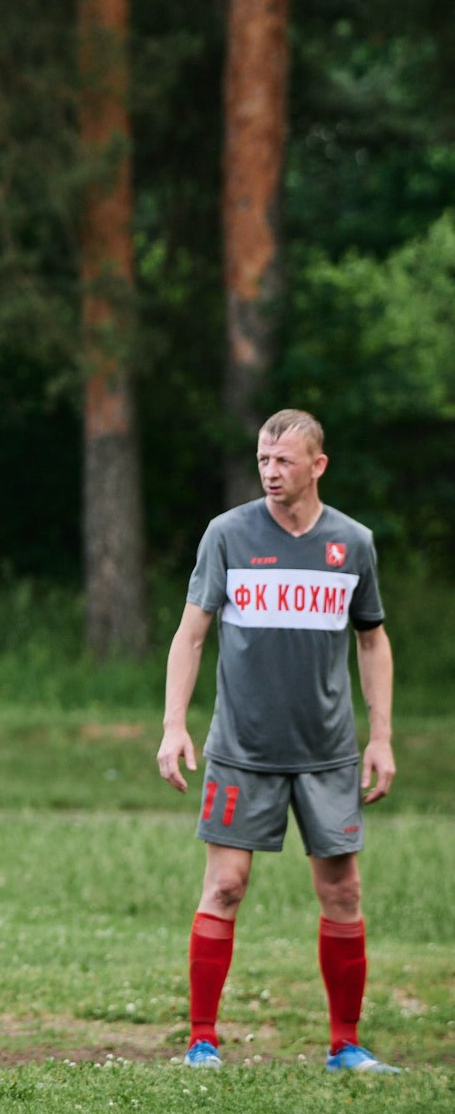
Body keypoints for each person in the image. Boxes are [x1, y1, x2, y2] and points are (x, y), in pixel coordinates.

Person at [158, 409, 398, 1074]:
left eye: (284, 460)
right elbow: (191, 634)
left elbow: (372, 639)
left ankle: (346, 1045)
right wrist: (175, 724)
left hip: (327, 752)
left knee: (343, 892)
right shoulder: (228, 534)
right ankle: (202, 1042)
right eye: (263, 460)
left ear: (317, 465)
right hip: (243, 749)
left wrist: (380, 736)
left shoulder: (353, 542)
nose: (270, 471)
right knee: (225, 886)